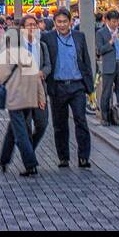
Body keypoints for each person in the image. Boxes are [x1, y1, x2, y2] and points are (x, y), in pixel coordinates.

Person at [0, 14, 51, 176]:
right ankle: (30, 162)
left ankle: (7, 157)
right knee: (22, 129)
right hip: (18, 93)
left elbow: (48, 65)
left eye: (34, 25)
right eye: (28, 25)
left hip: (38, 89)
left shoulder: (41, 46)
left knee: (40, 124)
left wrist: (43, 73)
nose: (32, 28)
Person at [41, 9, 93, 169]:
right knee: (60, 124)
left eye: (65, 21)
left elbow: (86, 60)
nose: (62, 25)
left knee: (81, 120)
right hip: (57, 86)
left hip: (77, 85)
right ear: (54, 23)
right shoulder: (47, 38)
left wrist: (89, 87)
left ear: (71, 22)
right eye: (59, 22)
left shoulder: (79, 36)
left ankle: (84, 157)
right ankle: (63, 157)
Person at [95, 11, 119, 125]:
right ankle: (105, 117)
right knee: (106, 92)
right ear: (107, 21)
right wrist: (111, 41)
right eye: (113, 21)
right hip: (109, 65)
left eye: (117, 21)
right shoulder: (101, 33)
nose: (115, 24)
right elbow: (100, 50)